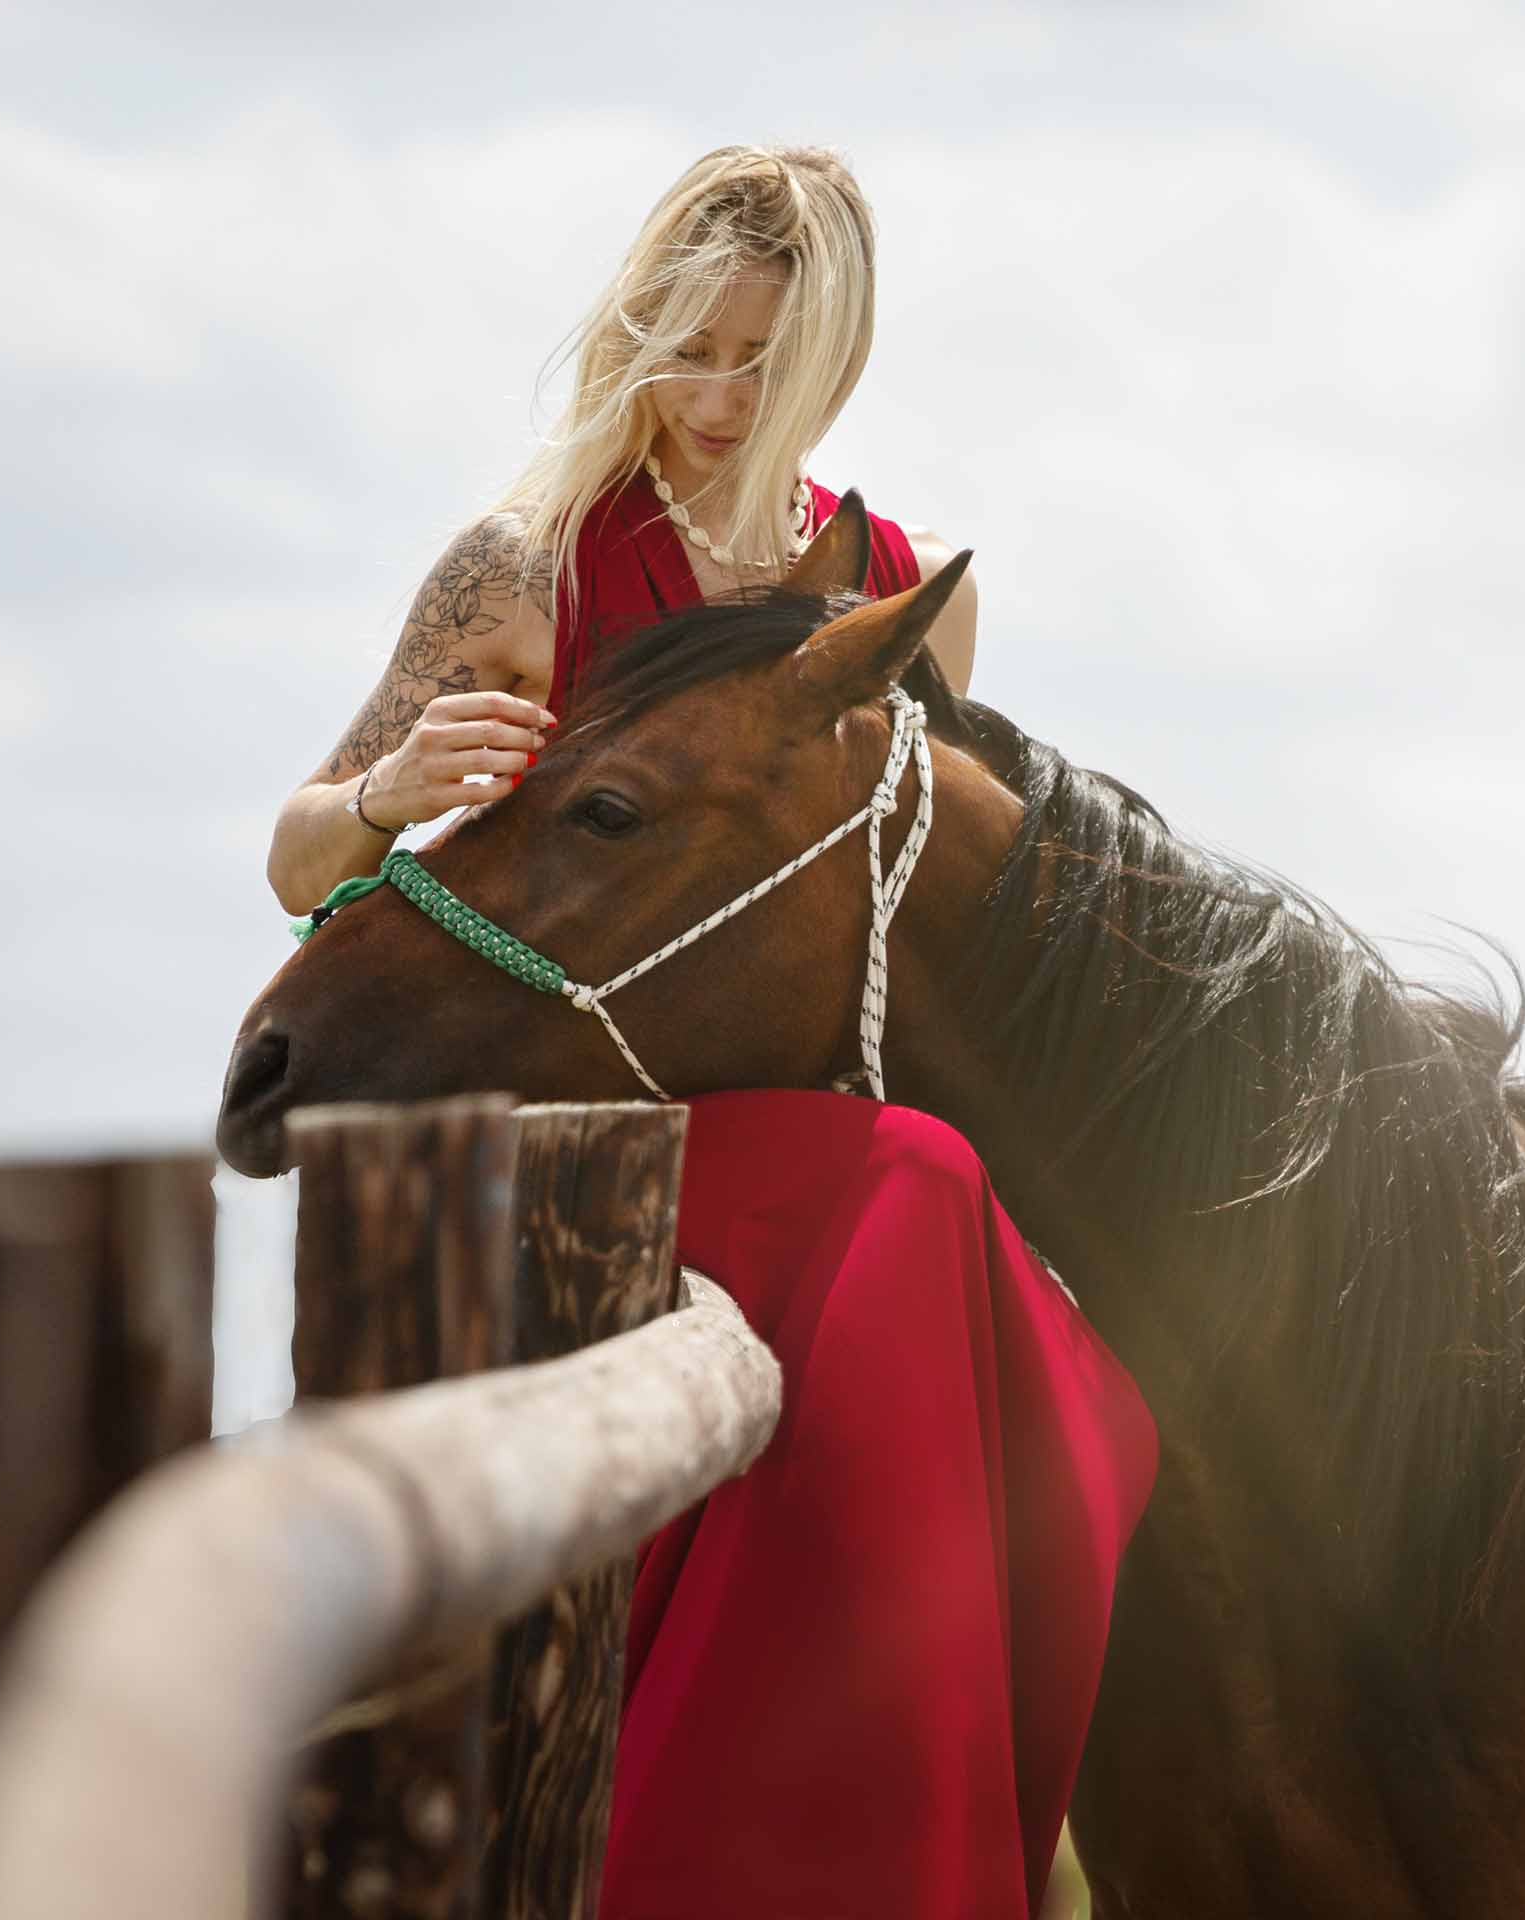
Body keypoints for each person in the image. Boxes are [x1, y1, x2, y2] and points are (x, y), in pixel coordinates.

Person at [263, 145, 1156, 1920]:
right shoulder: (525, 571)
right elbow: (293, 868)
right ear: (635, 335)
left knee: (1023, 1306)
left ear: (832, 364)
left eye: (765, 361)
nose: (718, 400)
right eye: (689, 348)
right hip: (588, 1142)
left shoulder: (903, 591)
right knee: (915, 1188)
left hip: (820, 1146)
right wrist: (383, 793)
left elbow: (926, 920)